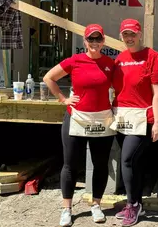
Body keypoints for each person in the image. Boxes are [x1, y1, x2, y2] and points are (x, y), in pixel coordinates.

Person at [43, 24, 116, 226]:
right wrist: (62, 98)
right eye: (90, 39)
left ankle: (96, 205)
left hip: (102, 119)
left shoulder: (110, 63)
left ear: (103, 41)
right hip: (76, 118)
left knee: (101, 164)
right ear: (85, 41)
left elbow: (121, 86)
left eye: (98, 39)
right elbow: (49, 77)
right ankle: (67, 208)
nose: (94, 43)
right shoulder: (75, 61)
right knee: (70, 164)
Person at [111, 19, 158, 227]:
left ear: (140, 34)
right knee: (135, 162)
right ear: (121, 36)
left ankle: (132, 204)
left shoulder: (154, 58)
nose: (129, 38)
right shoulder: (120, 58)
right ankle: (137, 204)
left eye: (132, 34)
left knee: (127, 160)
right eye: (125, 35)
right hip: (122, 117)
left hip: (144, 118)